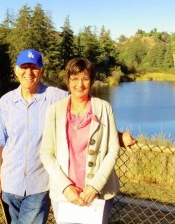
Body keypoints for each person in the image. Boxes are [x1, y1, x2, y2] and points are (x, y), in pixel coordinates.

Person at [0, 49, 137, 224]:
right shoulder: (6, 102)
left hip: (39, 185)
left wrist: (117, 137)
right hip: (12, 183)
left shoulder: (56, 98)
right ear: (16, 70)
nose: (29, 73)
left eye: (34, 68)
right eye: (24, 67)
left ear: (42, 70)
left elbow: (85, 107)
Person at [40, 57, 121, 224]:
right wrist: (66, 187)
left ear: (91, 81)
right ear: (67, 81)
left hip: (97, 194)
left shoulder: (104, 108)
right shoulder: (55, 110)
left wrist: (95, 186)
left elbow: (113, 149)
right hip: (65, 193)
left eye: (85, 79)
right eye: (75, 78)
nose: (80, 84)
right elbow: (46, 153)